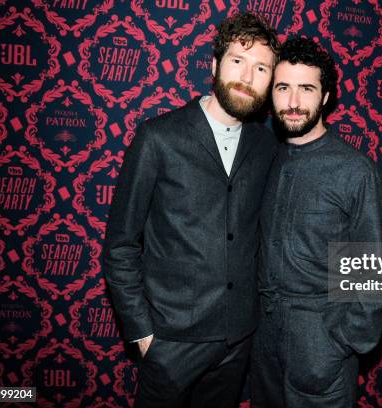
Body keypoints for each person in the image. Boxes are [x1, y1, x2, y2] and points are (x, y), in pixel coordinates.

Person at [103, 12, 280, 408]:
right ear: (215, 65)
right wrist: (145, 336)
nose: (248, 76)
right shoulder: (158, 137)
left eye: (261, 68)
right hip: (171, 342)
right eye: (238, 61)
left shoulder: (266, 147)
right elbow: (120, 245)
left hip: (237, 342)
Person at [250, 37, 382, 408]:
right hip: (263, 343)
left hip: (322, 346)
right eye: (283, 88)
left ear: (326, 97)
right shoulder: (265, 157)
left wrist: (340, 343)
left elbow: (377, 274)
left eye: (307, 89)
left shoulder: (355, 171)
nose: (294, 102)